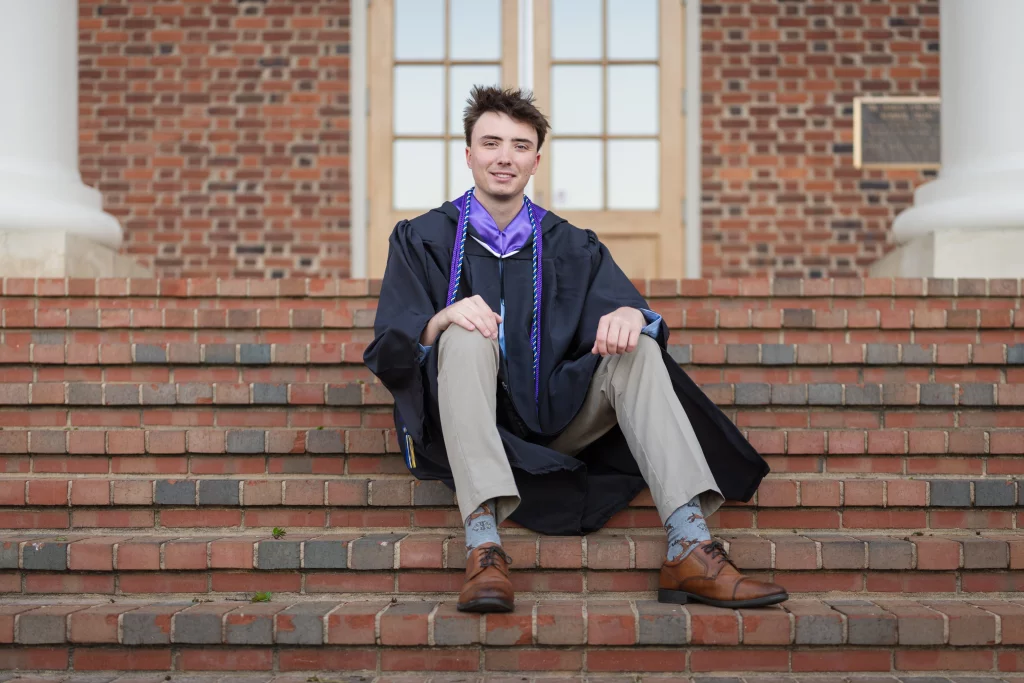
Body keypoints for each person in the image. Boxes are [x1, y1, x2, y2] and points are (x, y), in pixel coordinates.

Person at [364, 86, 787, 613]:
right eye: (491, 143)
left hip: (556, 420)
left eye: (519, 146)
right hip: (461, 429)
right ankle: (484, 548)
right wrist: (442, 320)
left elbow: (625, 311)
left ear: (535, 160)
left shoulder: (570, 244)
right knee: (466, 334)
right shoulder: (422, 238)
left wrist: (633, 316)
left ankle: (690, 546)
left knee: (641, 349)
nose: (504, 157)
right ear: (468, 154)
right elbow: (390, 349)